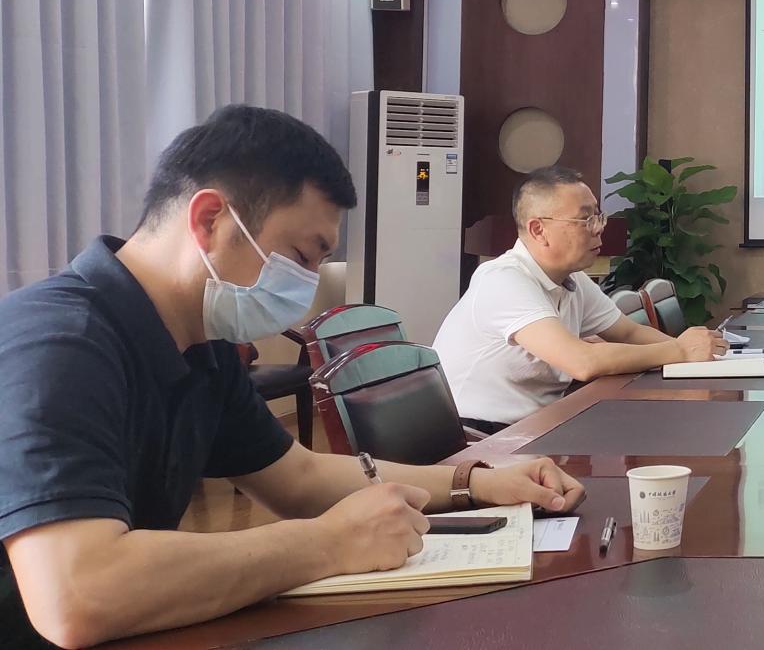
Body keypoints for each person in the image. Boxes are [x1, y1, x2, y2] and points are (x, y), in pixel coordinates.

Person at [0, 106, 586, 650]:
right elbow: (77, 594)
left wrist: (476, 483)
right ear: (209, 219)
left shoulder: (202, 348)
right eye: (303, 256)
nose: (305, 287)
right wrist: (329, 542)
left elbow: (298, 477)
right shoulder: (61, 343)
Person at [433, 166, 727, 430]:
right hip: (477, 437)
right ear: (538, 230)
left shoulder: (573, 280)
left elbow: (628, 332)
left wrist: (702, 357)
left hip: (538, 426)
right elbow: (581, 361)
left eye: (598, 216)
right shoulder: (503, 280)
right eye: (585, 219)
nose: (599, 228)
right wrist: (680, 352)